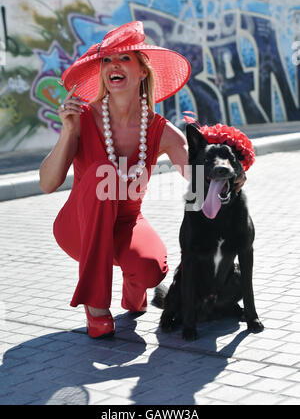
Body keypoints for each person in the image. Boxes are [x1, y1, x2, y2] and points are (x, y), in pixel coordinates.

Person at [39, 21, 245, 338]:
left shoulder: (160, 130)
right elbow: (48, 183)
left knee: (152, 269)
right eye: (106, 60)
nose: (113, 66)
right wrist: (67, 132)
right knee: (99, 174)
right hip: (78, 227)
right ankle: (95, 304)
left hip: (126, 224)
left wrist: (228, 174)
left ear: (143, 70)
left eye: (124, 58)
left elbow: (197, 177)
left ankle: (133, 286)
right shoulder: (81, 119)